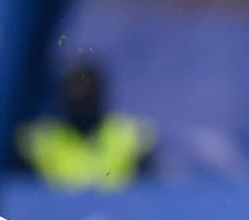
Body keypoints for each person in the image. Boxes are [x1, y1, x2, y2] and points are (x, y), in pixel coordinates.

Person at [14, 60, 156, 191]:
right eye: (76, 99)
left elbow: (147, 192)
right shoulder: (41, 140)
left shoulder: (131, 135)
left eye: (88, 98)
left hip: (119, 214)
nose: (82, 107)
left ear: (100, 97)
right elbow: (23, 192)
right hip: (57, 214)